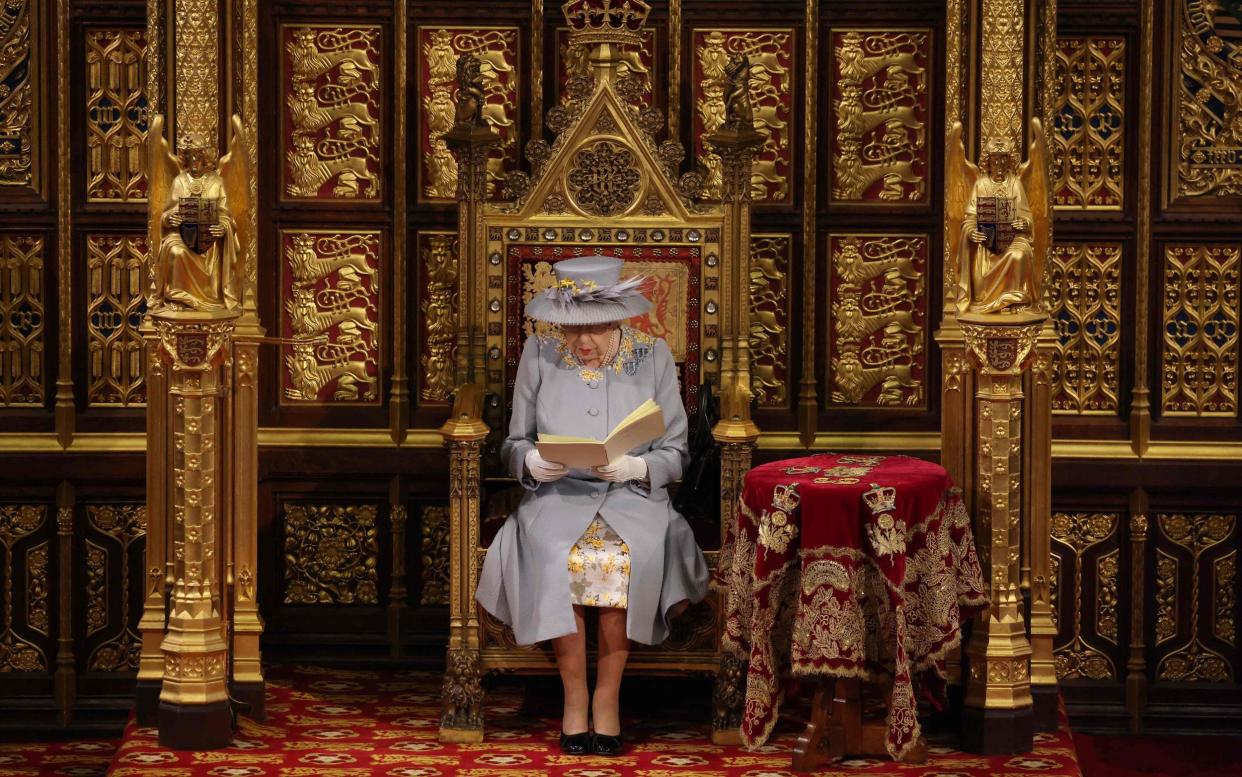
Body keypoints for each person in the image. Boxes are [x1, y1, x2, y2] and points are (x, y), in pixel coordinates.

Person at [476, 256, 709, 757]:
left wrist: (639, 469)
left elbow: (676, 450)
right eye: (573, 330)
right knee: (556, 555)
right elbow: (513, 441)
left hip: (634, 498)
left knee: (623, 559)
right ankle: (575, 696)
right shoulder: (539, 354)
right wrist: (531, 461)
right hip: (557, 498)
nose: (584, 343)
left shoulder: (654, 355)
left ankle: (607, 697)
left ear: (620, 318)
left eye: (598, 330)